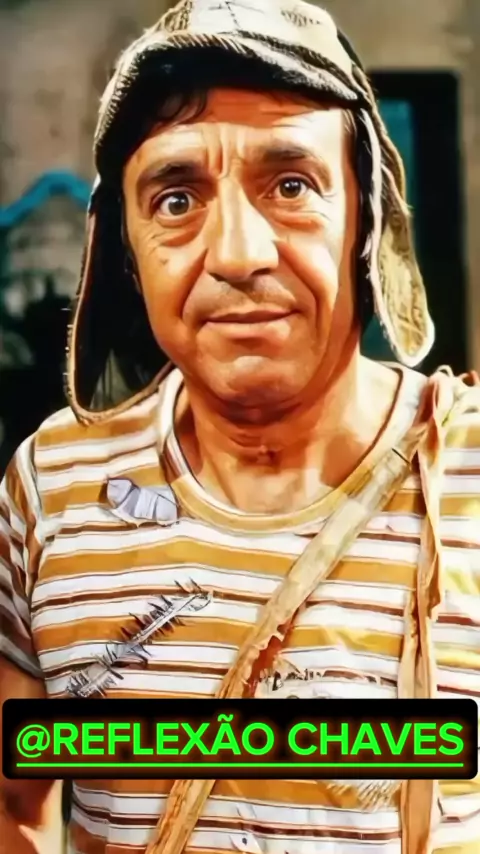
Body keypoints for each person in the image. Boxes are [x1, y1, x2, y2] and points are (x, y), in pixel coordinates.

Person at [1, 1, 479, 853]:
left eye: (291, 186)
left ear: (365, 218)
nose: (237, 254)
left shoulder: (469, 469)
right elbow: (14, 807)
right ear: (127, 250)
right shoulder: (52, 490)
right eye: (177, 198)